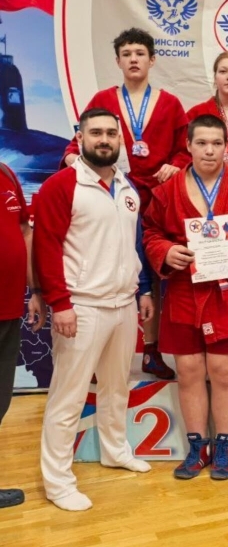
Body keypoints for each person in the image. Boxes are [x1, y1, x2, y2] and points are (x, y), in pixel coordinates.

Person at [34, 108, 154, 511]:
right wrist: (60, 304)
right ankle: (58, 482)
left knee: (116, 388)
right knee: (67, 398)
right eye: (96, 133)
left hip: (123, 304)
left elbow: (132, 246)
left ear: (120, 140)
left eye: (111, 134)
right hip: (81, 307)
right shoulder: (61, 185)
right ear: (80, 138)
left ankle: (115, 450)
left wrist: (142, 291)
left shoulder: (127, 187)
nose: (104, 140)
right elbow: (46, 247)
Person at [60, 27, 189, 381]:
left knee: (154, 273)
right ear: (117, 61)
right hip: (112, 195)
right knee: (106, 267)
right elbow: (76, 144)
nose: (134, 59)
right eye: (127, 54)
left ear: (152, 60)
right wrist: (73, 160)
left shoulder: (170, 103)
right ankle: (96, 353)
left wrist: (175, 164)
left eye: (140, 53)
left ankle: (152, 349)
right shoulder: (102, 99)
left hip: (156, 199)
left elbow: (184, 149)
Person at [143, 114, 228, 481]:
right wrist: (165, 251)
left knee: (224, 371)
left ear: (227, 146)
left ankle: (224, 447)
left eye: (216, 143)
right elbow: (150, 232)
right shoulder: (166, 192)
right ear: (189, 146)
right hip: (184, 290)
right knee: (190, 370)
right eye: (201, 143)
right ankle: (197, 448)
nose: (209, 150)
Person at [0, 162, 45, 508]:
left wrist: (35, 291)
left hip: (9, 308)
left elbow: (24, 232)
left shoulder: (7, 174)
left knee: (1, 399)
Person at [186, 51, 228, 178]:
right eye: (223, 71)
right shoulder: (196, 113)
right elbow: (183, 154)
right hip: (204, 183)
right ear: (215, 78)